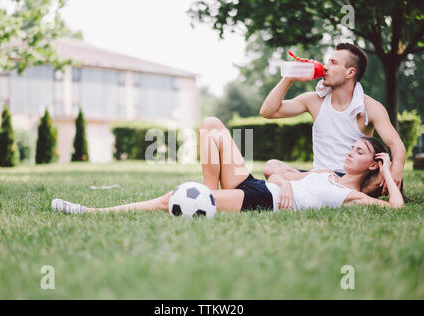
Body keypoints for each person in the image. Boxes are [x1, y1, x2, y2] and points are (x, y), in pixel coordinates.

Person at [51, 117, 404, 215]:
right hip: (261, 187)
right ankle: (205, 196)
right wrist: (284, 181)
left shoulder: (353, 196)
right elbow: (277, 170)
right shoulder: (329, 174)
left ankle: (92, 211)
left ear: (372, 165)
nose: (348, 153)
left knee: (167, 198)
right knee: (210, 125)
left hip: (259, 202)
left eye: (357, 152)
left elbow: (395, 209)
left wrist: (389, 170)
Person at [260, 43, 406, 194]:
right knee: (271, 167)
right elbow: (268, 112)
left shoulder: (370, 107)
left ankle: (319, 185)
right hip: (318, 174)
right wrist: (288, 79)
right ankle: (325, 185)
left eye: (333, 63)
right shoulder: (314, 100)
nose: (325, 67)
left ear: (350, 72)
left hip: (352, 178)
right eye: (328, 61)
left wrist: (395, 171)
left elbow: (396, 145)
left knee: (376, 181)